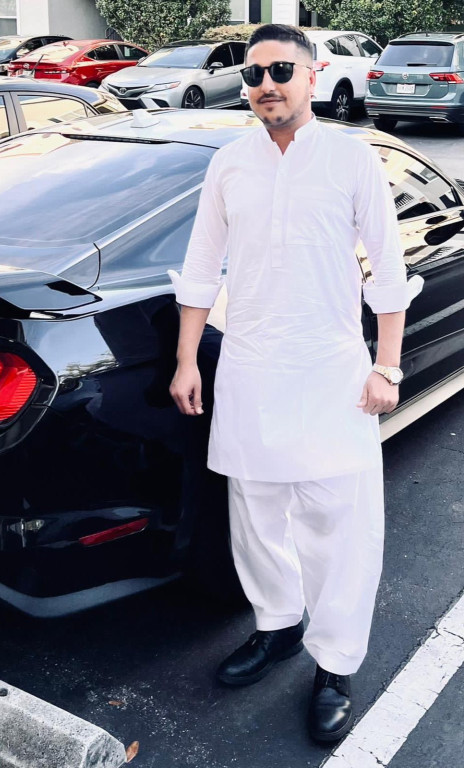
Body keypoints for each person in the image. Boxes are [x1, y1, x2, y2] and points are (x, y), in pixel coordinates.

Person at [168, 23, 423, 743]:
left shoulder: (350, 158)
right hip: (250, 364)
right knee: (256, 515)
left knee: (340, 524)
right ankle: (277, 626)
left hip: (331, 368)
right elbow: (201, 266)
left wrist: (387, 365)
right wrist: (188, 359)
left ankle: (334, 665)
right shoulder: (230, 164)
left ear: (313, 76)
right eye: (253, 74)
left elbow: (389, 268)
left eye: (281, 70)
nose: (266, 85)